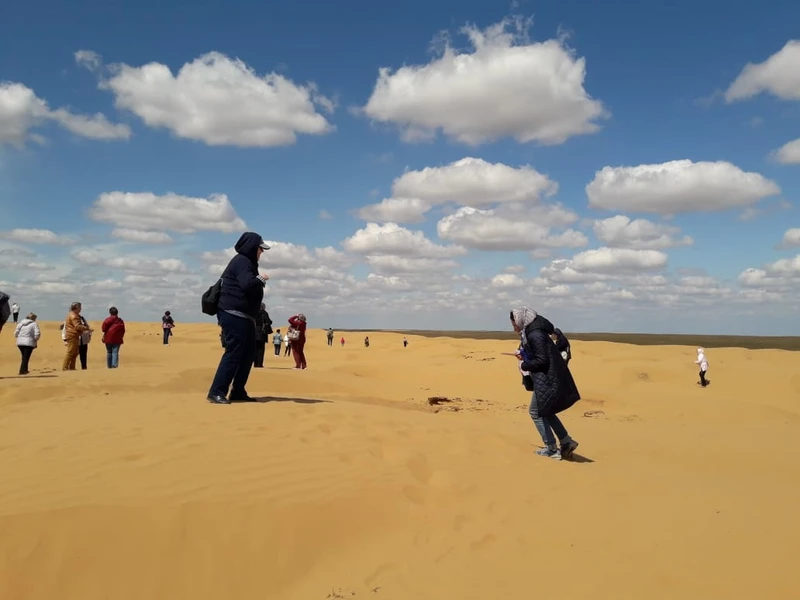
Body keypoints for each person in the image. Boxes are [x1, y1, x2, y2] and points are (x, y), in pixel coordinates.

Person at [207, 232, 270, 404]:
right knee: (234, 352)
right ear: (252, 247)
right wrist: (261, 279)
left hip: (245, 316)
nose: (261, 252)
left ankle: (238, 391)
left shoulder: (248, 262)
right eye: (260, 248)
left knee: (248, 353)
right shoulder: (242, 261)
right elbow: (246, 284)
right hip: (233, 313)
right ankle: (216, 392)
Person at [511, 306, 581, 460]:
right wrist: (525, 356)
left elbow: (542, 360)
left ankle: (551, 448)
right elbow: (540, 355)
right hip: (547, 377)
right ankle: (566, 441)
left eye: (514, 323)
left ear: (521, 320)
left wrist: (525, 364)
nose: (514, 327)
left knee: (535, 412)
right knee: (546, 410)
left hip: (548, 378)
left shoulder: (534, 334)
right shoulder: (534, 332)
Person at [62, 302, 90, 371]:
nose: (81, 309)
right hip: (72, 335)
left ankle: (72, 367)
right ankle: (65, 367)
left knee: (75, 352)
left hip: (75, 335)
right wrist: (87, 328)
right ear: (76, 308)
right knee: (70, 352)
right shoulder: (74, 316)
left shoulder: (74, 315)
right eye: (80, 307)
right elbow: (77, 326)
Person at [253, 302, 273, 368]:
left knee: (255, 349)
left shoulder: (253, 312)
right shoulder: (264, 313)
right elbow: (269, 321)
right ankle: (259, 364)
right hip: (262, 332)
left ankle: (255, 364)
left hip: (253, 332)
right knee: (261, 349)